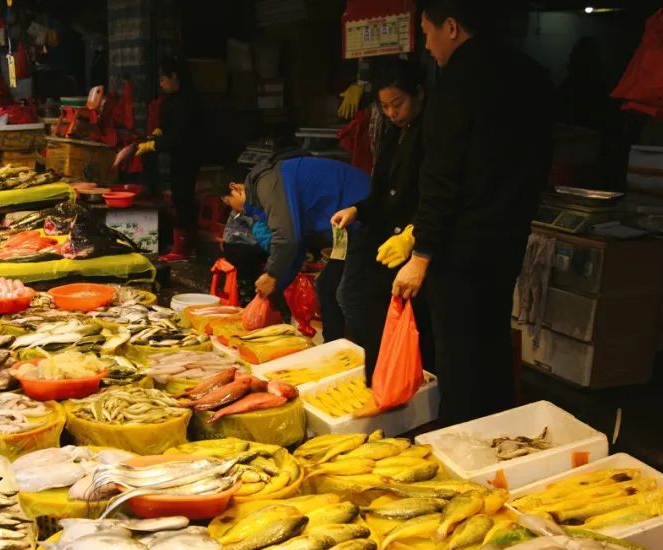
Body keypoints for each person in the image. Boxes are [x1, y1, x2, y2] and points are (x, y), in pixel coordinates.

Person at [378, 0, 553, 424]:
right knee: (492, 343)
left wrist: (421, 254)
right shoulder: (531, 74)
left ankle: (461, 436)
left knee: (459, 357)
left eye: (428, 32)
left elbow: (441, 176)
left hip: (461, 247)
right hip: (508, 236)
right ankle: (498, 431)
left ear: (452, 27)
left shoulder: (455, 82)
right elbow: (540, 160)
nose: (427, 44)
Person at [332, 61, 432, 384]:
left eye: (397, 104)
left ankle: (402, 381)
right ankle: (382, 377)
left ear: (418, 93)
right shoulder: (393, 133)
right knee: (353, 298)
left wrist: (413, 236)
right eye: (384, 106)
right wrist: (357, 210)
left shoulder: (432, 133)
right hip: (385, 240)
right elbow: (381, 191)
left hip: (416, 245)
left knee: (400, 317)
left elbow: (434, 196)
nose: (391, 113)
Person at [220, 155, 370, 337]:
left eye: (228, 203)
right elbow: (297, 243)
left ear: (235, 188)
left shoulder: (266, 184)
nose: (234, 210)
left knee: (348, 295)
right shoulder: (264, 194)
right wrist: (275, 286)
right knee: (326, 286)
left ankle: (368, 352)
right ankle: (332, 346)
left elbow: (287, 238)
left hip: (365, 214)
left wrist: (272, 275)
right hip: (347, 231)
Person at [114, 56, 204, 263]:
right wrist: (156, 134)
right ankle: (185, 247)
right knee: (180, 196)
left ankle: (182, 250)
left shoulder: (187, 102)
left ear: (174, 77)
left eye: (163, 79)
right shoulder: (174, 100)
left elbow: (179, 137)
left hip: (188, 156)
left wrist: (152, 145)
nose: (161, 83)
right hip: (178, 156)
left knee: (182, 197)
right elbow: (168, 127)